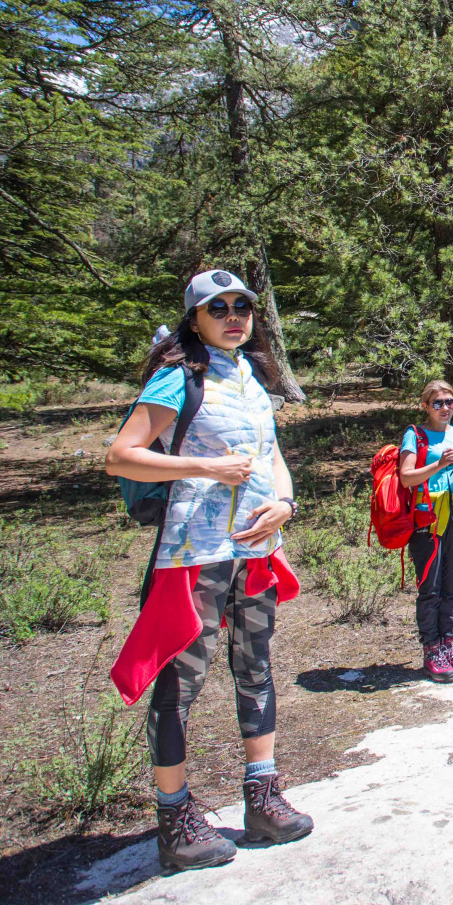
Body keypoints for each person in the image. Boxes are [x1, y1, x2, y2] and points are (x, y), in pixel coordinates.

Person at [106, 269, 313, 872]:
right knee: (179, 686)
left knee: (256, 668)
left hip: (253, 552)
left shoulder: (251, 377)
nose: (232, 316)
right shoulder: (180, 378)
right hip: (191, 559)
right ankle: (174, 821)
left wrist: (286, 503)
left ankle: (263, 798)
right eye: (216, 307)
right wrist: (202, 468)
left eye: (241, 306)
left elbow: (271, 454)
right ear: (194, 318)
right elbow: (123, 454)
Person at [397, 380, 453, 683]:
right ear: (426, 406)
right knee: (429, 587)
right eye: (438, 403)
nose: (445, 408)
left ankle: (448, 643)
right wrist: (439, 464)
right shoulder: (415, 435)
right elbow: (406, 478)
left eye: (450, 402)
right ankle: (431, 649)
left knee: (451, 583)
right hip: (426, 518)